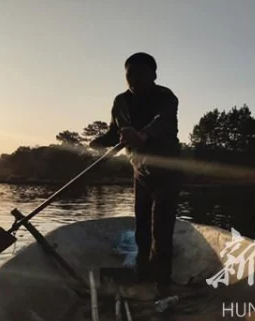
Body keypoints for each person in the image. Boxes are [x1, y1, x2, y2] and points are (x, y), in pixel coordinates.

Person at [89, 52, 183, 289]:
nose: (134, 79)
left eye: (140, 74)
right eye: (129, 75)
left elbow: (162, 122)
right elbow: (114, 133)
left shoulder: (165, 96)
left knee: (161, 230)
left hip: (166, 171)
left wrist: (142, 135)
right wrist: (97, 143)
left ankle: (162, 283)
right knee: (142, 227)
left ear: (153, 75)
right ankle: (143, 274)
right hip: (140, 172)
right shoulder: (120, 101)